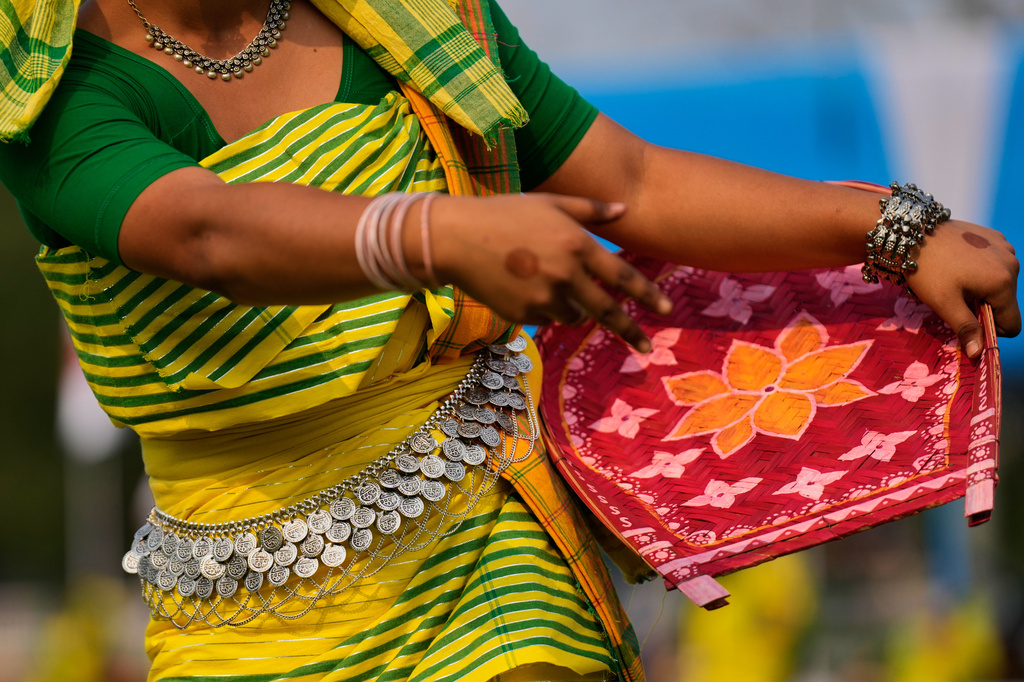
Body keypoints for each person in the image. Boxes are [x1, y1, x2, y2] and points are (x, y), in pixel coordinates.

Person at [0, 0, 1018, 680]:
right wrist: (435, 233)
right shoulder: (44, 80)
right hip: (245, 612)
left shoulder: (422, 25)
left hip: (498, 557)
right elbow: (202, 230)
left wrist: (894, 229)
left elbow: (632, 182)